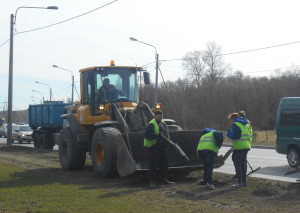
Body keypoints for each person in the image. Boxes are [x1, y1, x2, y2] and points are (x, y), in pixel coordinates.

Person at [144, 110, 175, 188]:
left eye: (161, 115)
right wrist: (156, 135)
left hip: (163, 147)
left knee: (164, 164)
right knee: (153, 164)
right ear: (155, 116)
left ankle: (164, 179)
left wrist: (169, 142)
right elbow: (147, 135)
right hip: (154, 147)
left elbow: (167, 135)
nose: (160, 117)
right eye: (159, 115)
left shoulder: (164, 124)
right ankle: (152, 181)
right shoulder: (151, 124)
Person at [227, 112, 251, 187]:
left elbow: (236, 136)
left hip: (239, 146)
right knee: (243, 164)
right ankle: (244, 182)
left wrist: (229, 133)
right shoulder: (246, 124)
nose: (231, 121)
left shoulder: (236, 124)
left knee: (238, 164)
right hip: (246, 145)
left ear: (233, 118)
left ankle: (239, 182)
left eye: (231, 119)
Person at [231, 110, 253, 179]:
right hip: (244, 144)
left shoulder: (244, 123)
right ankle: (240, 175)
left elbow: (248, 134)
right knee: (237, 159)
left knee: (241, 162)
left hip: (242, 145)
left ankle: (241, 176)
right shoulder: (244, 123)